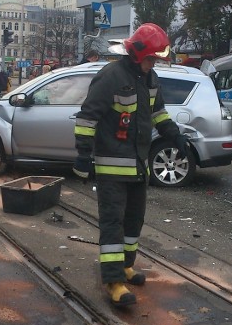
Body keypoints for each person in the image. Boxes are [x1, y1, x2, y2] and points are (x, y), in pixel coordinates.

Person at [73, 23, 189, 307]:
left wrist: (174, 135)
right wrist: (83, 154)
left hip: (139, 166)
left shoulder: (151, 78)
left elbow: (158, 113)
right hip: (113, 166)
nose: (154, 64)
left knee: (133, 222)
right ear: (137, 53)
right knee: (112, 224)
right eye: (151, 59)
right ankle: (113, 282)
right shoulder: (110, 76)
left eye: (156, 60)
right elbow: (88, 117)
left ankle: (125, 265)